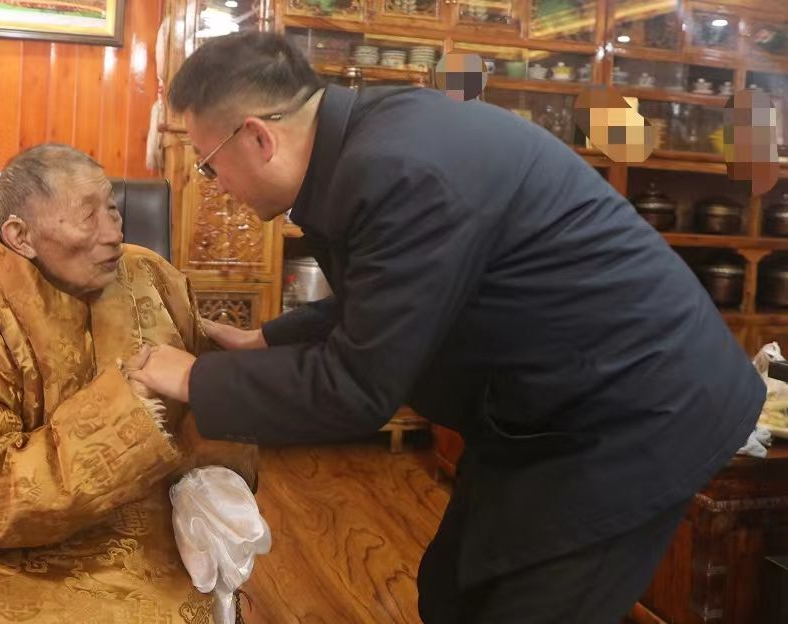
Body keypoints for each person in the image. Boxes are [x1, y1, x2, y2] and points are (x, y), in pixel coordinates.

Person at [130, 31, 766, 623]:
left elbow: (356, 387)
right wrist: (268, 339)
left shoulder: (402, 167)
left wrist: (193, 378)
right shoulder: (367, 138)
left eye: (209, 164)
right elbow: (402, 291)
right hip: (545, 398)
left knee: (528, 606)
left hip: (640, 406)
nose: (214, 185)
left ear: (257, 138)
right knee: (454, 588)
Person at [0, 144, 257, 622]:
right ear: (21, 236)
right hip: (6, 554)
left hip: (146, 518)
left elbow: (207, 401)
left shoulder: (152, 275)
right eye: (87, 217)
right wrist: (127, 415)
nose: (113, 233)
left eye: (112, 208)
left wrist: (216, 448)